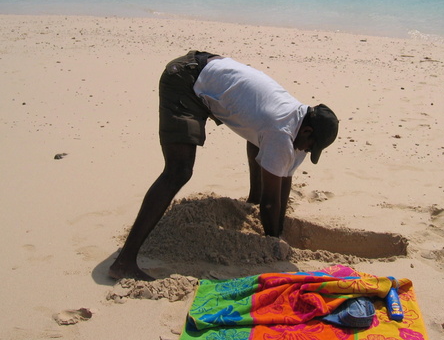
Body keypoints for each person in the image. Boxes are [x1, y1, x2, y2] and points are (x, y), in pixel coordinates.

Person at [108, 50, 339, 280]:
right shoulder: (281, 131)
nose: (306, 151)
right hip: (185, 81)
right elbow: (271, 203)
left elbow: (284, 174)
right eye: (310, 146)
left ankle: (252, 200)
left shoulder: (296, 116)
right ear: (307, 131)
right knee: (178, 171)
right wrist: (273, 243)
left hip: (207, 71)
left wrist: (278, 229)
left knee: (260, 143)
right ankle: (125, 260)